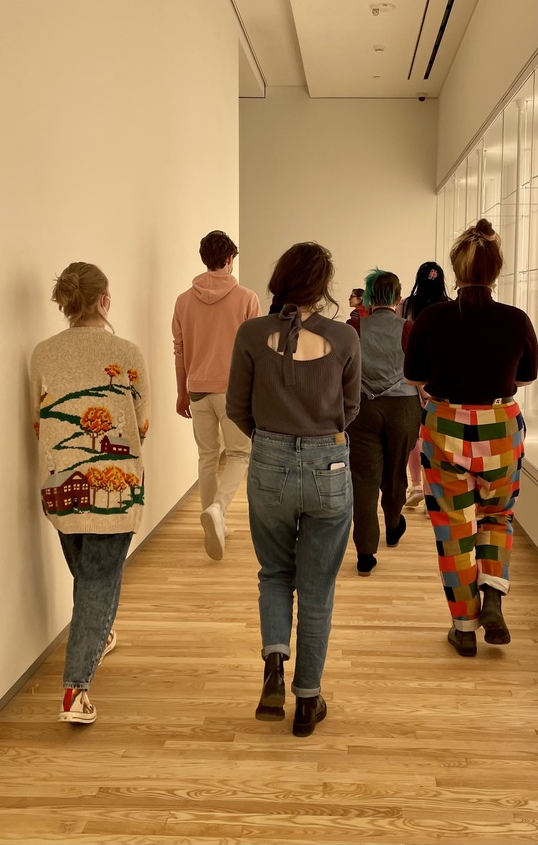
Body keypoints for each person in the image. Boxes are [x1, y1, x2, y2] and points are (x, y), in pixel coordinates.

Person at [227, 242, 361, 737]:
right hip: (328, 462)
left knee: (275, 572)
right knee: (319, 587)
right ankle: (307, 701)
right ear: (323, 286)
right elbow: (351, 409)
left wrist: (272, 436)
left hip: (269, 460)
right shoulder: (345, 337)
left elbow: (237, 407)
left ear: (279, 279)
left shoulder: (250, 333)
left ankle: (273, 666)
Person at [404, 220, 538, 657]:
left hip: (445, 426)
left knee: (454, 529)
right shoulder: (516, 320)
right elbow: (527, 375)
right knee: (497, 516)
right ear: (497, 270)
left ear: (456, 269)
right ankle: (494, 595)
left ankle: (464, 627)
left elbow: (414, 374)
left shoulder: (431, 318)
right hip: (500, 427)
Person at [30, 262, 150, 724]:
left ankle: (99, 634)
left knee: (89, 578)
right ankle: (74, 690)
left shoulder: (42, 353)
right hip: (115, 487)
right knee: (99, 580)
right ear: (104, 301)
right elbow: (141, 423)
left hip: (59, 485)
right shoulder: (128, 352)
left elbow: (38, 420)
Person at [172, 230, 261, 560]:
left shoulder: (183, 300)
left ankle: (214, 521)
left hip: (197, 389)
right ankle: (219, 511)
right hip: (234, 392)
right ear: (229, 259)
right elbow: (255, 352)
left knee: (207, 457)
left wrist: (182, 392)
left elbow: (179, 350)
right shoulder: (247, 298)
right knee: (239, 455)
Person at [347, 269, 421, 576]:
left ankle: (365, 552)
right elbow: (418, 371)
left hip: (362, 408)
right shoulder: (409, 328)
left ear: (368, 297)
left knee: (363, 479)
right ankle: (393, 523)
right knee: (395, 470)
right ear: (399, 298)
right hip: (403, 407)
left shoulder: (354, 326)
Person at [398, 262, 451, 508]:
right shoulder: (449, 306)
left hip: (411, 376)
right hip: (442, 378)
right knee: (436, 438)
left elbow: (399, 341)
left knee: (414, 434)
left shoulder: (406, 305)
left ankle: (416, 485)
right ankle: (432, 494)